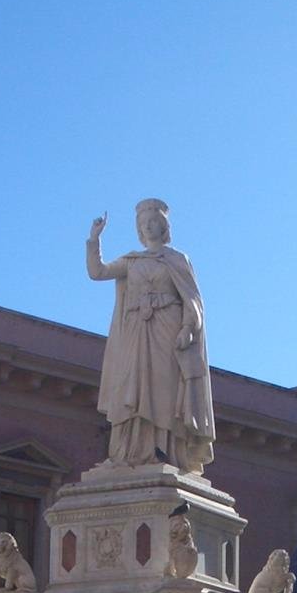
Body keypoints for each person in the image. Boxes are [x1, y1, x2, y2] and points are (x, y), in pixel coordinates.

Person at [85, 200, 215, 474]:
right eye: (144, 222)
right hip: (135, 331)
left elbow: (193, 302)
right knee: (131, 386)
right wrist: (94, 239)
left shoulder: (177, 260)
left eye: (154, 221)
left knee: (163, 389)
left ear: (164, 226)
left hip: (166, 329)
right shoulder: (132, 261)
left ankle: (166, 451)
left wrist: (187, 329)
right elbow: (98, 272)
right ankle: (130, 452)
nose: (148, 226)